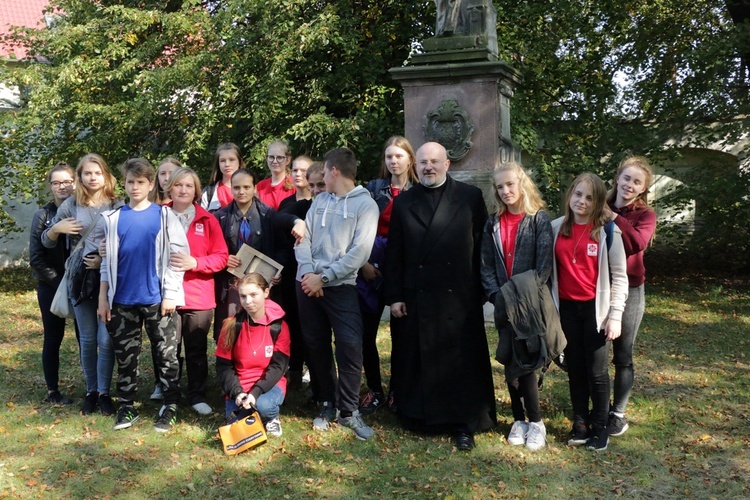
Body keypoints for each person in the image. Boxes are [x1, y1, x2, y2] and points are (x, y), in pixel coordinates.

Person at [384, 142, 496, 451]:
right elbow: (395, 253)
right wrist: (394, 295)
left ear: (447, 164)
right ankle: (421, 417)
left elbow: (482, 248)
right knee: (421, 357)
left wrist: (482, 290)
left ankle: (464, 423)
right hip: (417, 297)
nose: (429, 167)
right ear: (415, 166)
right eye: (423, 163)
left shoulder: (470, 197)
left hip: (459, 298)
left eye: (435, 161)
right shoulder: (405, 202)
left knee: (461, 361)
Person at [97, 158, 190, 432]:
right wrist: (104, 297)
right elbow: (107, 262)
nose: (135, 187)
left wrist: (171, 294)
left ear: (151, 185)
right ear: (124, 185)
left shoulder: (165, 216)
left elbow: (177, 259)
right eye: (130, 182)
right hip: (122, 300)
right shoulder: (113, 219)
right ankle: (127, 405)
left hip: (158, 300)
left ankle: (170, 405)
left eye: (141, 182)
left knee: (166, 354)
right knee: (126, 357)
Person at [295, 148, 379, 440]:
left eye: (324, 175)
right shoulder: (318, 202)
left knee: (350, 345)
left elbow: (360, 252)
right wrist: (308, 274)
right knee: (315, 344)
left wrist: (325, 277)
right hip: (307, 284)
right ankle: (326, 401)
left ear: (334, 172)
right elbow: (303, 240)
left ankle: (348, 411)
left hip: (340, 285)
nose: (317, 183)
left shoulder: (365, 206)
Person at [480, 163, 556, 451]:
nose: (506, 191)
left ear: (522, 184)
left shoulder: (538, 220)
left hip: (529, 304)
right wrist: (497, 296)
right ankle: (519, 420)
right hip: (503, 304)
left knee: (527, 362)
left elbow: (543, 267)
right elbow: (485, 265)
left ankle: (535, 422)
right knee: (510, 360)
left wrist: (521, 298)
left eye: (510, 184)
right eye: (500, 187)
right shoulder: (493, 223)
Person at [550, 172, 628, 452]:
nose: (581, 201)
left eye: (589, 197)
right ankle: (580, 422)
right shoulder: (555, 228)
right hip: (566, 309)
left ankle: (600, 425)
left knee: (596, 372)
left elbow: (619, 277)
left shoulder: (607, 231)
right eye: (577, 194)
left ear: (597, 203)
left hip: (596, 310)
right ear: (570, 195)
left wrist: (615, 315)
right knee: (575, 369)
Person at [42, 153, 122, 416]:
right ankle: (91, 392)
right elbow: (46, 240)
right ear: (80, 177)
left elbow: (127, 242)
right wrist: (57, 229)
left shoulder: (117, 205)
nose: (92, 177)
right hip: (79, 279)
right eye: (87, 173)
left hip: (109, 279)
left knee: (106, 338)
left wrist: (104, 256)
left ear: (106, 176)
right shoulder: (71, 205)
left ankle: (105, 393)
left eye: (97, 173)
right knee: (87, 339)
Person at [357, 136, 418, 415]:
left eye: (398, 156)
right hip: (371, 263)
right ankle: (375, 390)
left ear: (409, 159)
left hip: (402, 266)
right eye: (389, 157)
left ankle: (398, 390)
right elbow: (358, 227)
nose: (393, 161)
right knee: (366, 334)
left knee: (401, 335)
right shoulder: (372, 189)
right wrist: (364, 262)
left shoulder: (418, 190)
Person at [212, 169, 305, 342]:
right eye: (237, 187)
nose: (241, 192)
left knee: (261, 328)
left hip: (261, 283)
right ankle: (230, 366)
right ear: (231, 189)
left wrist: (276, 270)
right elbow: (211, 249)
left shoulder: (268, 215)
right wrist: (224, 259)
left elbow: (283, 248)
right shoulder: (220, 217)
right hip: (232, 284)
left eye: (246, 187)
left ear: (255, 188)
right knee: (231, 329)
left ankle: (261, 365)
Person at [166, 167, 229, 415]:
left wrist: (197, 263)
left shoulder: (208, 220)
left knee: (196, 349)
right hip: (167, 295)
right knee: (168, 348)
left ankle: (196, 394)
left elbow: (221, 257)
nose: (183, 190)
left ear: (196, 190)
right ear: (170, 187)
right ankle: (169, 393)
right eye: (179, 185)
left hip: (198, 295)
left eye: (189, 186)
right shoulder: (159, 215)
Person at [604, 156, 656, 437]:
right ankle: (599, 406)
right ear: (617, 178)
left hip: (631, 290)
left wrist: (614, 218)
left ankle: (617, 413)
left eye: (637, 182)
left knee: (623, 354)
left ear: (642, 188)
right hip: (597, 288)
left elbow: (637, 243)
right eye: (627, 178)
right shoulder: (601, 205)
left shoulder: (644, 215)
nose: (629, 184)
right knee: (593, 352)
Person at [216, 273, 291, 437]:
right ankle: (252, 411)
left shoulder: (279, 326)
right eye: (243, 296)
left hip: (268, 383)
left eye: (253, 295)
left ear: (265, 293)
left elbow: (278, 367)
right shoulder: (231, 325)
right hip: (240, 385)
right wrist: (237, 392)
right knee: (236, 421)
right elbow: (224, 366)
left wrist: (256, 393)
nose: (248, 301)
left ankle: (271, 417)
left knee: (263, 407)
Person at [30, 162, 78, 405]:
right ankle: (52, 391)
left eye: (67, 181)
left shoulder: (83, 211)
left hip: (82, 284)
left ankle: (94, 389)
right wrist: (61, 283)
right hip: (51, 285)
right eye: (57, 182)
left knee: (87, 338)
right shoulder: (43, 215)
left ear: (75, 183)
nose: (62, 187)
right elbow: (36, 257)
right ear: (50, 186)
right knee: (53, 337)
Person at [276, 155, 314, 387]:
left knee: (310, 321)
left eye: (304, 170)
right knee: (291, 318)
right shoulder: (285, 204)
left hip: (312, 270)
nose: (298, 174)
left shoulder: (319, 201)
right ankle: (295, 366)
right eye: (295, 170)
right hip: (290, 269)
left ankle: (312, 365)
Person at [148, 156, 182, 400]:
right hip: (152, 283)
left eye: (172, 173)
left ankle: (177, 383)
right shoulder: (148, 207)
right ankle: (160, 382)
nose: (167, 178)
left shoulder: (183, 205)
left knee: (175, 340)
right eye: (162, 174)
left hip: (178, 282)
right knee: (158, 338)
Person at [201, 143, 243, 212]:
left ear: (239, 162)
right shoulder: (208, 193)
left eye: (231, 160)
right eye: (223, 161)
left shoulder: (251, 190)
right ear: (218, 164)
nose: (227, 164)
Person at [255, 140, 295, 209]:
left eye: (279, 158)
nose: (275, 161)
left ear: (288, 160)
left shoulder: (294, 185)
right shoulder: (260, 186)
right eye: (271, 157)